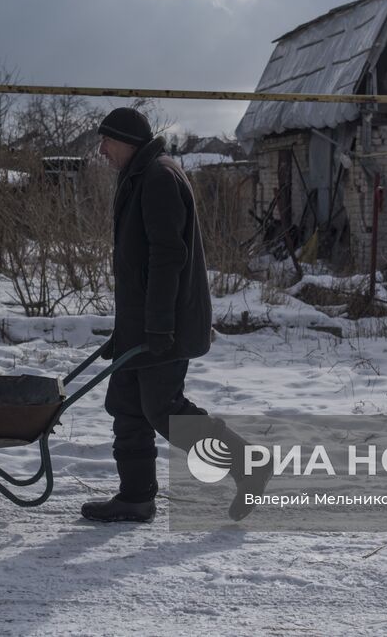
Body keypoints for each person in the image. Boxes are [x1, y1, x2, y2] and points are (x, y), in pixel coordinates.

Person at [80, 106, 266, 523]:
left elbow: (168, 258)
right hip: (144, 322)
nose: (102, 151)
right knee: (127, 405)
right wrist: (127, 330)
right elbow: (141, 264)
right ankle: (135, 497)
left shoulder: (158, 178)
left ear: (126, 141)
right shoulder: (142, 174)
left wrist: (158, 326)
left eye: (106, 141)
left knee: (163, 409)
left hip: (165, 323)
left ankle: (246, 464)